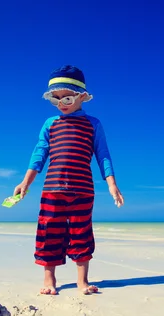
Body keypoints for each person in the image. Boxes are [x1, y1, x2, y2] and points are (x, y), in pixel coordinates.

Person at [13, 65, 124, 295]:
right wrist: (26, 183)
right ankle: (49, 279)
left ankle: (82, 281)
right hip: (52, 189)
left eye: (68, 98)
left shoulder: (93, 124)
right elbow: (39, 154)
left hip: (83, 190)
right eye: (56, 99)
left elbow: (103, 155)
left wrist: (112, 184)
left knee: (81, 232)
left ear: (82, 96)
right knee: (48, 231)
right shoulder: (51, 124)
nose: (61, 103)